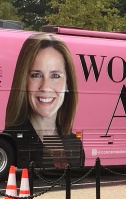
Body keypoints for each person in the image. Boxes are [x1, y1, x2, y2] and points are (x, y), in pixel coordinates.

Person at [3, 33, 80, 167]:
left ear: (68, 84)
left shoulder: (74, 143)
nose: (45, 87)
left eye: (55, 75)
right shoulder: (12, 140)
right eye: (36, 75)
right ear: (23, 82)